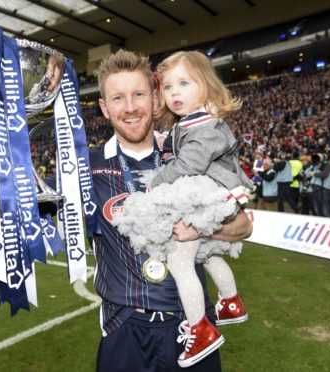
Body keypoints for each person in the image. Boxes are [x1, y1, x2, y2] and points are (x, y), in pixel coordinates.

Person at [92, 49, 252, 372]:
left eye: (139, 94)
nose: (131, 107)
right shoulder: (86, 167)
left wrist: (203, 229)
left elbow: (244, 226)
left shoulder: (186, 150)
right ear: (104, 108)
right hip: (125, 329)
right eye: (118, 98)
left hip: (189, 324)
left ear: (154, 97)